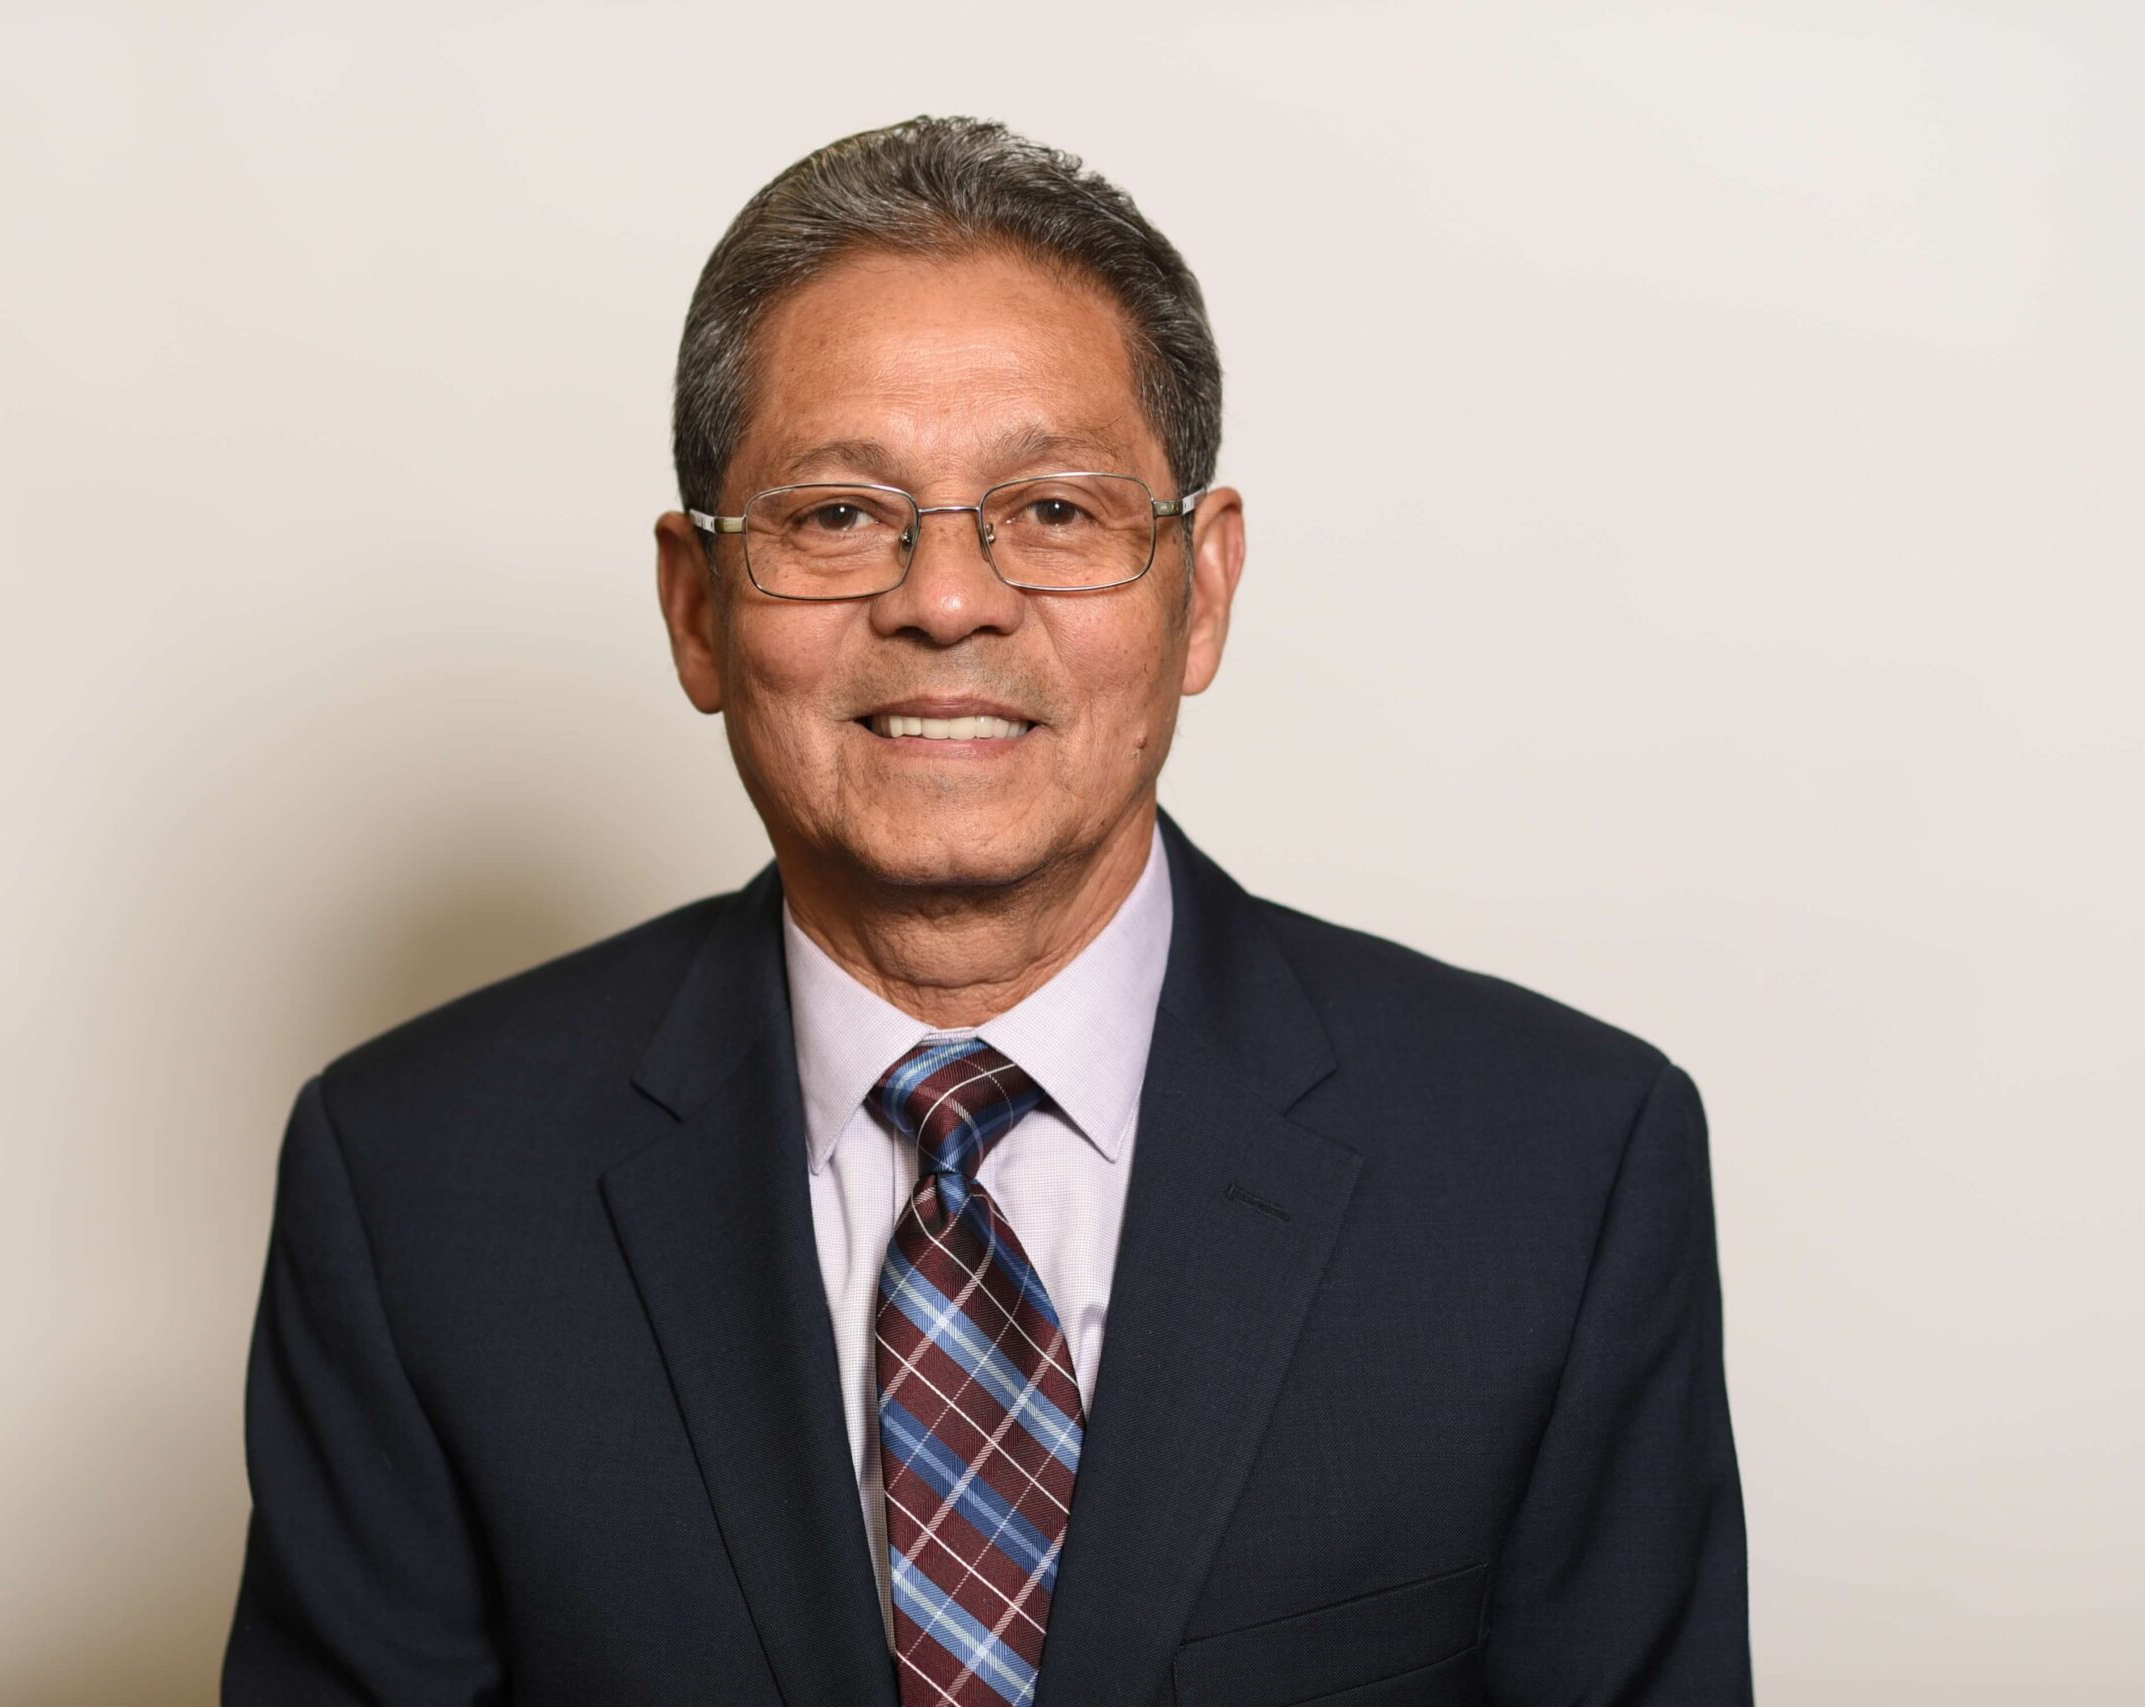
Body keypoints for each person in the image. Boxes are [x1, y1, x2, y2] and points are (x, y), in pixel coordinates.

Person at [222, 115, 1751, 1707]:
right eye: (834, 515)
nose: (946, 600)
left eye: (1057, 510)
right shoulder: (413, 1183)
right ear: (696, 608)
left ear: (1204, 589)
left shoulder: (1561, 1168)